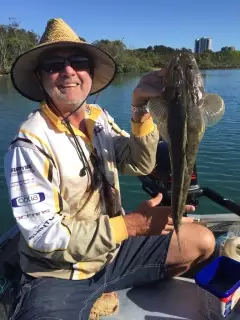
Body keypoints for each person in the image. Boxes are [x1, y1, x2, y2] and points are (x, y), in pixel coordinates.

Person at [4, 18, 216, 320]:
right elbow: (44, 236)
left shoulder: (97, 117)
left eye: (78, 61)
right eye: (54, 65)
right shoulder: (29, 144)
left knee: (202, 242)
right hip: (60, 273)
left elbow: (139, 162)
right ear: (40, 78)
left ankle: (105, 288)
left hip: (112, 252)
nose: (68, 71)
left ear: (90, 72)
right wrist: (134, 224)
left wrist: (140, 104)